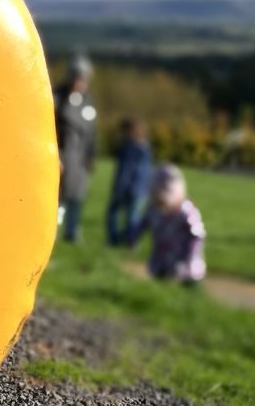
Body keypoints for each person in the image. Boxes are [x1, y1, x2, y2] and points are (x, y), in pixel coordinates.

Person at [132, 164, 206, 283]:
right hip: (161, 261)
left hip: (186, 267)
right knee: (160, 285)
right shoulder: (153, 209)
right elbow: (143, 223)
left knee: (185, 286)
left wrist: (190, 256)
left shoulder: (186, 211)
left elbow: (197, 235)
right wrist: (134, 237)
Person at [54, 54, 97, 241]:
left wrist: (90, 157)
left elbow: (92, 133)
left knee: (77, 195)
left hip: (80, 161)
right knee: (58, 196)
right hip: (62, 157)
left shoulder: (88, 102)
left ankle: (72, 230)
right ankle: (52, 231)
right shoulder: (58, 98)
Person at [107, 117, 152, 246]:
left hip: (128, 187)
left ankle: (115, 239)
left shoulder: (129, 148)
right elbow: (147, 170)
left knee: (114, 212)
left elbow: (126, 169)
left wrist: (119, 188)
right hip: (142, 188)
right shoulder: (146, 147)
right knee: (134, 216)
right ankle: (132, 241)